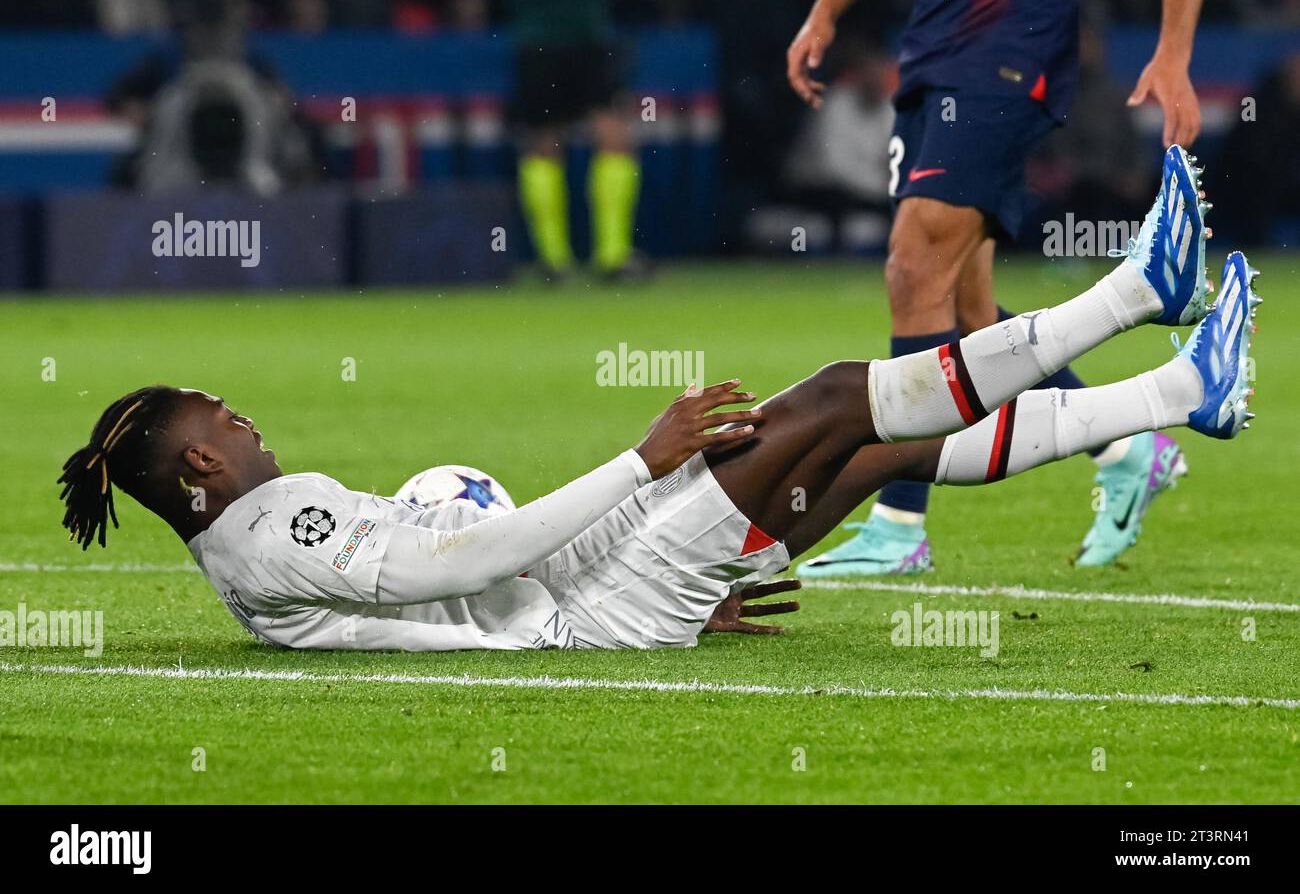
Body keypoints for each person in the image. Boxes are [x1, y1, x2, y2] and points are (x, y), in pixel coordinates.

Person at [57, 162, 1257, 652]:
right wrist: (643, 468)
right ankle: (1134, 295)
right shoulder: (274, 534)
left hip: (593, 594)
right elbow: (465, 561)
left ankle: (1177, 389)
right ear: (199, 471)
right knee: (843, 396)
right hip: (588, 620)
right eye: (222, 420)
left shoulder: (262, 535)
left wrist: (673, 587)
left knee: (864, 439)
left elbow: (475, 582)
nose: (244, 417)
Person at [787, 0, 1209, 573]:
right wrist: (826, 9)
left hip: (1011, 43)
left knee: (914, 266)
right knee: (966, 312)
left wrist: (1173, 53)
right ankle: (1125, 453)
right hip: (934, 48)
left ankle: (901, 521)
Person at [496, 0, 646, 282]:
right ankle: (554, 261)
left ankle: (613, 256)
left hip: (592, 39)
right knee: (544, 143)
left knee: (615, 138)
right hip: (538, 42)